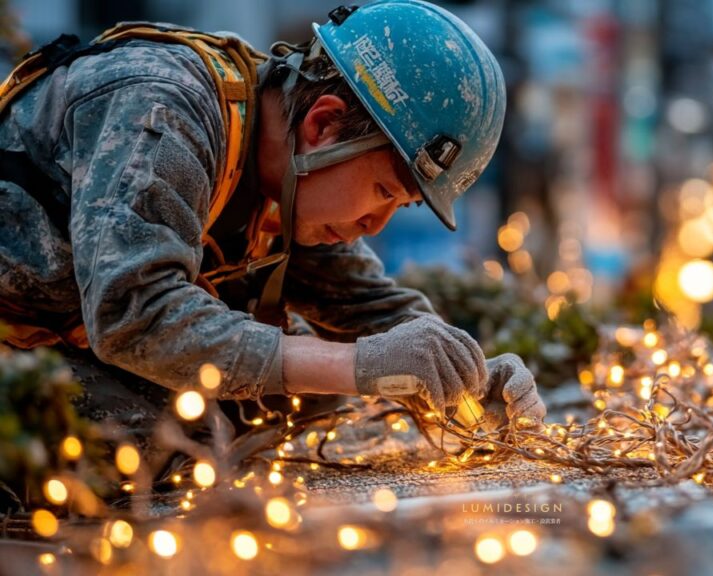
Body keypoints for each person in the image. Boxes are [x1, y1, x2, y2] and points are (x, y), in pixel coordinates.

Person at [0, 1, 545, 440]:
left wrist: (465, 378)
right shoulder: (165, 112)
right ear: (324, 125)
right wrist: (358, 365)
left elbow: (368, 310)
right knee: (170, 421)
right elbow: (137, 314)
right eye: (382, 191)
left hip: (51, 348)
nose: (375, 226)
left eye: (398, 207)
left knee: (294, 392)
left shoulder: (288, 170)